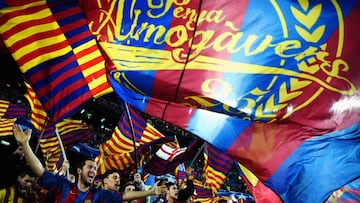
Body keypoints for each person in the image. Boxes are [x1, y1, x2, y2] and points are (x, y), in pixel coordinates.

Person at [12, 124, 166, 202]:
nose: (93, 170)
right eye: (90, 167)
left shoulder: (98, 195)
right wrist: (25, 145)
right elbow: (39, 171)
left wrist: (150, 192)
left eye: (94, 167)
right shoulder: (63, 185)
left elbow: (124, 195)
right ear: (79, 171)